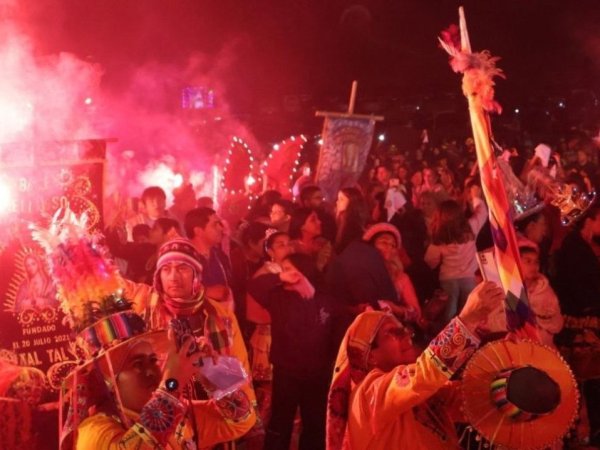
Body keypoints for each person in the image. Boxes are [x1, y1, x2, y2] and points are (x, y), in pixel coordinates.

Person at [326, 281, 504, 450]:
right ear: (368, 355)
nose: (406, 336)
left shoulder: (421, 393)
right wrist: (468, 320)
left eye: (405, 330)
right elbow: (422, 376)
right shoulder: (367, 395)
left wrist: (509, 359)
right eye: (394, 333)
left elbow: (467, 398)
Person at [121, 238, 258, 444]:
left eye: (182, 268)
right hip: (159, 407)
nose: (173, 277)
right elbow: (108, 283)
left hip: (208, 413)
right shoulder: (143, 305)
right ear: (158, 276)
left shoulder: (220, 316)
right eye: (166, 269)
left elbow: (239, 372)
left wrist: (214, 373)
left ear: (196, 274)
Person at [248, 253, 333, 450]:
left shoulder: (322, 296)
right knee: (280, 422)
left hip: (317, 373)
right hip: (286, 371)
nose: (285, 274)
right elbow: (253, 286)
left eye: (288, 269)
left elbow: (325, 330)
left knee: (315, 424)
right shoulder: (278, 296)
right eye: (283, 270)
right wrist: (279, 277)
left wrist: (309, 297)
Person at [424, 193, 488, 326]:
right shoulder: (471, 228)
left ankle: (448, 334)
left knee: (449, 311)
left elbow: (430, 261)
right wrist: (475, 196)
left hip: (448, 278)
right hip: (469, 277)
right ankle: (466, 333)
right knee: (468, 310)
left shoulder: (438, 238)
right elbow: (482, 212)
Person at [363, 223, 421, 324]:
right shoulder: (360, 271)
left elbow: (417, 314)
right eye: (384, 242)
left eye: (393, 245)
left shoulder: (401, 278)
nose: (389, 247)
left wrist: (395, 309)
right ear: (372, 245)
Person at [185, 207, 233, 308]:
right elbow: (171, 292)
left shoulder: (220, 255)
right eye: (215, 225)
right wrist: (206, 291)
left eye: (219, 224)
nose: (221, 228)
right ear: (198, 231)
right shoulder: (183, 258)